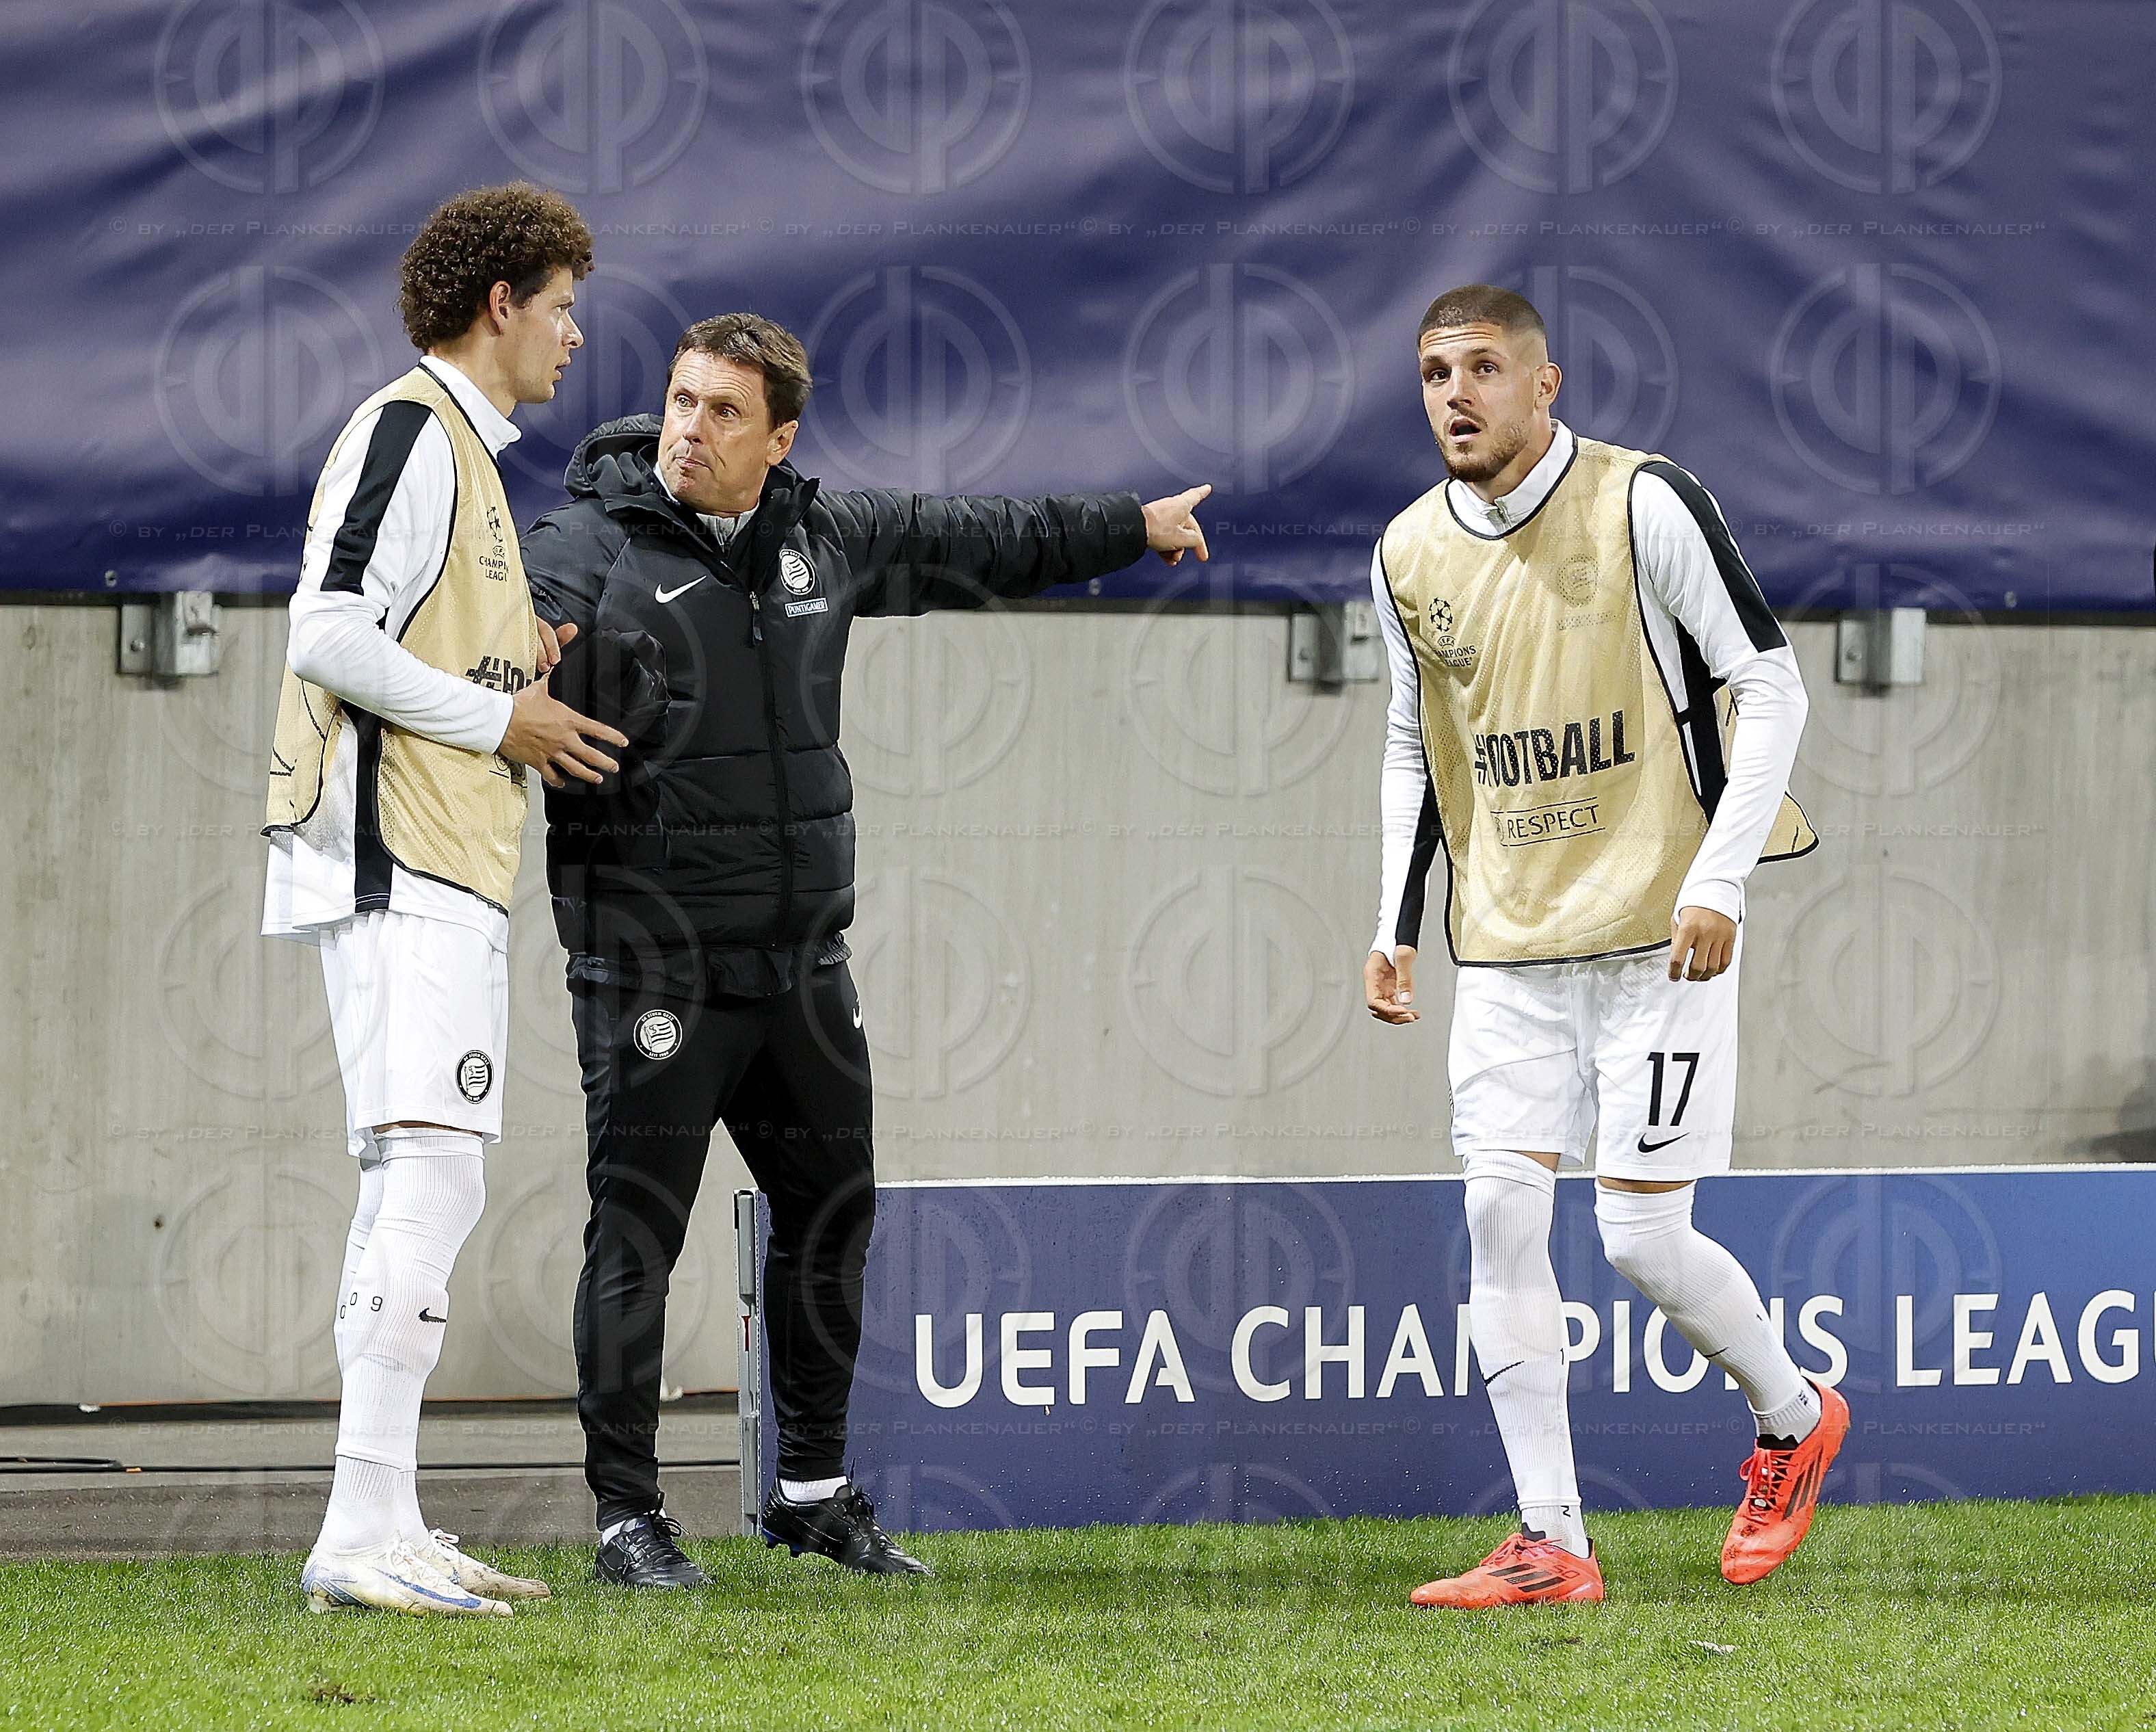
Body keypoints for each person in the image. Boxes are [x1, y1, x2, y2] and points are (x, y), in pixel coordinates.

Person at [521, 312, 1211, 1588]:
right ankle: (628, 1518)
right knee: (637, 1241)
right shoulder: (586, 543)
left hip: (801, 969)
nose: (691, 429)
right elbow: (512, 627)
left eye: (725, 412)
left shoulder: (821, 537)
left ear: (780, 437)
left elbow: (986, 538)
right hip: (654, 971)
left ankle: (813, 1493)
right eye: (681, 401)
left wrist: (1136, 523)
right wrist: (510, 662)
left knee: (832, 1218)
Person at [1363, 284, 1841, 1608]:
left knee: (1638, 1240)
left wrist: (1723, 881)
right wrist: (1392, 925)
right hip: (1509, 950)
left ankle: (1796, 1418)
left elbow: (1768, 681)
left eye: (1480, 370)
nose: (1454, 395)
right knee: (1499, 1218)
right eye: (1432, 375)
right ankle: (1553, 1540)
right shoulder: (1408, 550)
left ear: (1545, 382)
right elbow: (1417, 743)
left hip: (1658, 939)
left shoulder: (1646, 500)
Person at [262, 183, 628, 1617]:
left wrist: (508, 663)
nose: (574, 335)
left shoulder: (467, 456)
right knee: (434, 1170)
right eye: (559, 306)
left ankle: (383, 1516)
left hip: (440, 857)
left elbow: (405, 636)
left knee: (421, 1175)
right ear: (501, 306)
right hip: (397, 855)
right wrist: (505, 725)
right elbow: (327, 629)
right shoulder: (410, 431)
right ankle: (359, 1527)